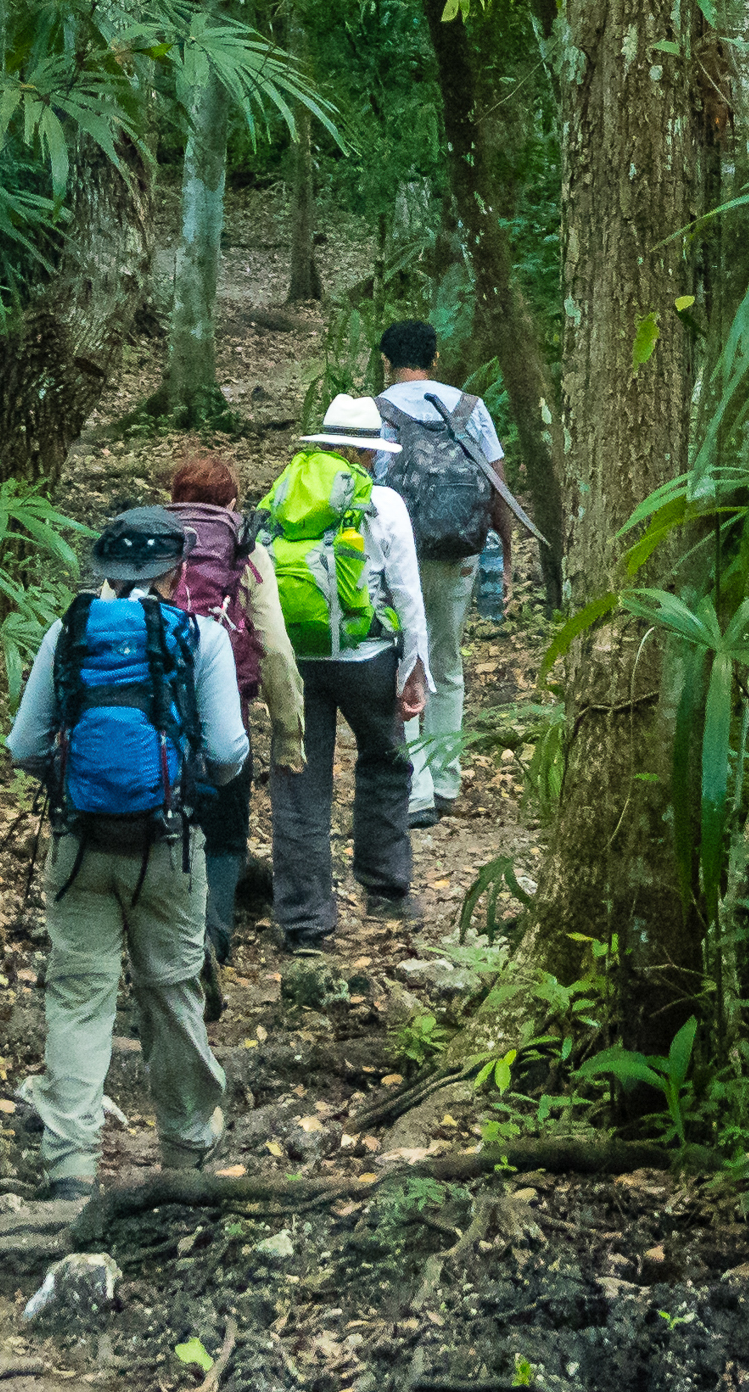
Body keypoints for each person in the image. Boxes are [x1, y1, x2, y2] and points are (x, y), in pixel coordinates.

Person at [1, 505, 243, 1193]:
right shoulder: (200, 636)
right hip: (166, 847)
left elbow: (22, 745)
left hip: (79, 845)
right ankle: (187, 1150)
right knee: (170, 993)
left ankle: (71, 1164)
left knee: (78, 999)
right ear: (174, 568)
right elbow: (226, 751)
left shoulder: (67, 629)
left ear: (103, 567)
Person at [256, 397, 431, 952]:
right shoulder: (381, 503)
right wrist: (415, 669)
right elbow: (408, 594)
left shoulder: (284, 494)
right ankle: (385, 889)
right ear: (360, 451)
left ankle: (305, 920)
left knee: (299, 779)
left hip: (297, 660)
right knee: (385, 761)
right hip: (367, 657)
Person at [369, 320, 525, 829]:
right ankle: (447, 781)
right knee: (447, 661)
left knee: (405, 662)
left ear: (388, 360)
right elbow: (497, 483)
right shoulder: (469, 409)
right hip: (460, 551)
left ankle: (414, 791)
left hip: (400, 555)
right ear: (434, 357)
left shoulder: (377, 411)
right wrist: (503, 552)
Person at [157, 454, 300, 964]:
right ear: (234, 504)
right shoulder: (246, 550)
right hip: (224, 713)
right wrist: (289, 734)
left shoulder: (145, 545)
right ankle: (212, 940)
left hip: (147, 718)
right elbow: (277, 650)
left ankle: (164, 944)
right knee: (224, 835)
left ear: (174, 500)